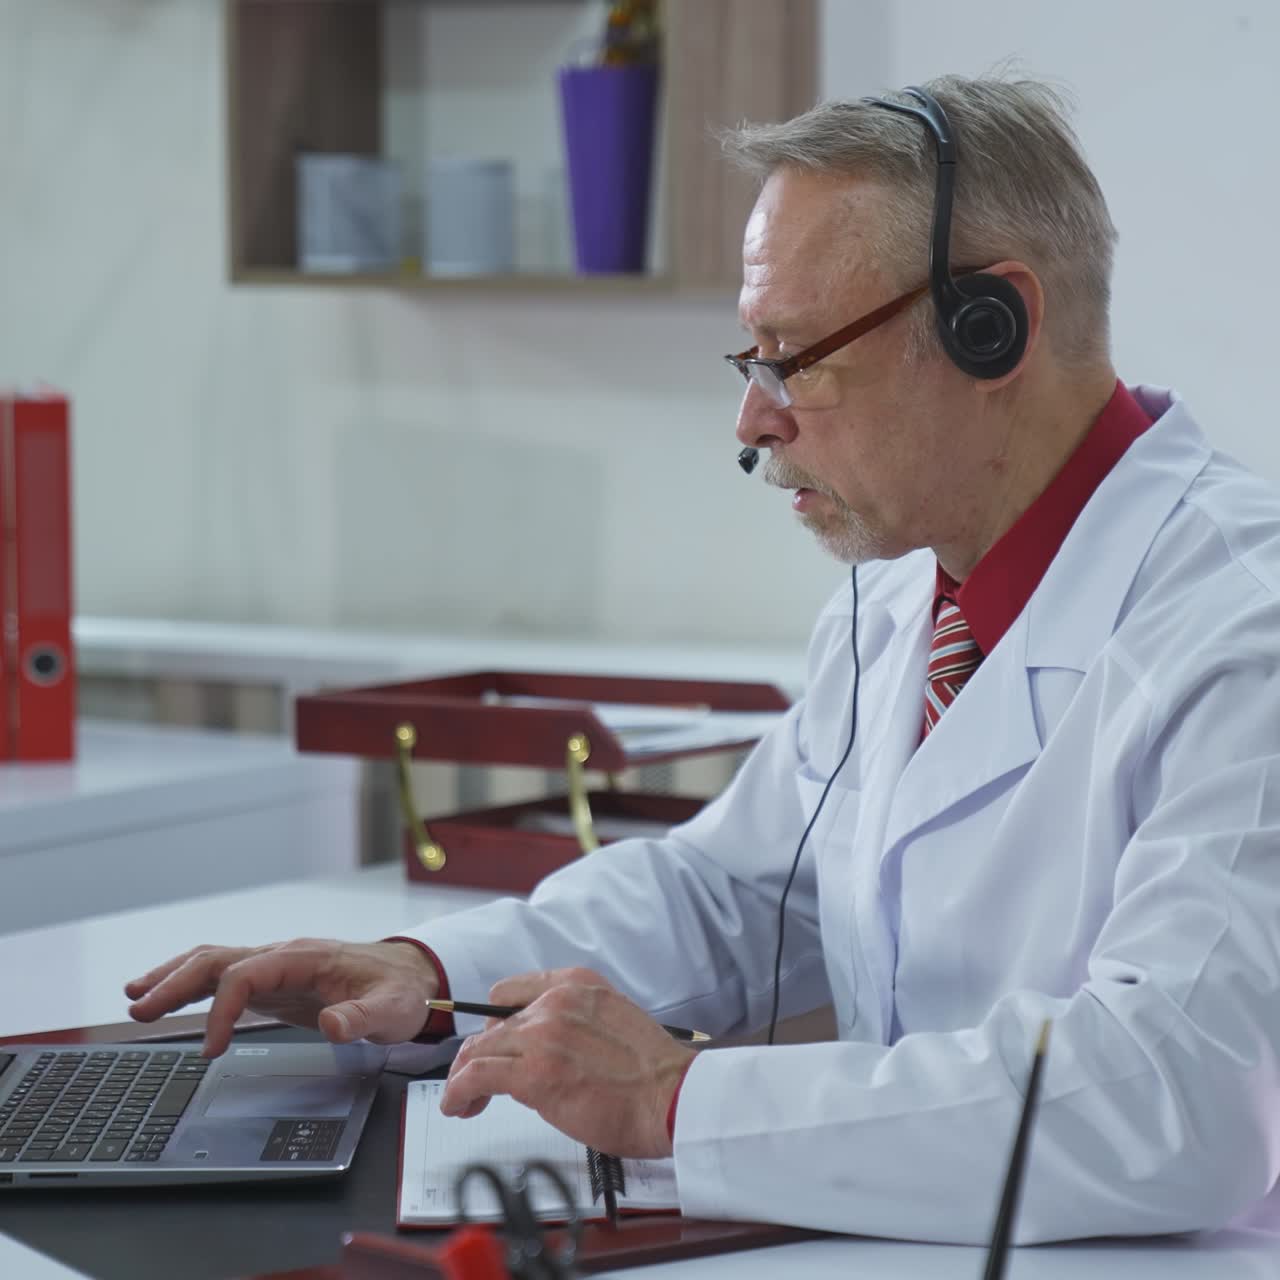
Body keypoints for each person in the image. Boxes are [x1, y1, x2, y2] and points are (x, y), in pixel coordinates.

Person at [126, 75, 1280, 1245]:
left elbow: (1178, 1094)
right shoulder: (903, 594)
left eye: (795, 355)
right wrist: (425, 969)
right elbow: (733, 891)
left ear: (991, 325)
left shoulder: (1244, 628)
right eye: (752, 358)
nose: (753, 419)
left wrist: (677, 1100)